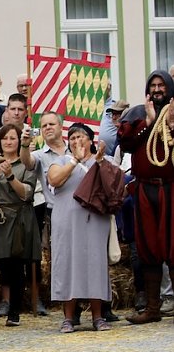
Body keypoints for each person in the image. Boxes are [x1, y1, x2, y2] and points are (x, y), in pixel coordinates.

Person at [117, 69, 174, 324]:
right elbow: (124, 142)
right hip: (145, 190)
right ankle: (152, 308)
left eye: (162, 85)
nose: (157, 89)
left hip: (171, 188)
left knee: (173, 246)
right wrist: (148, 123)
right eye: (153, 85)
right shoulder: (138, 114)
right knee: (148, 247)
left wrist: (171, 126)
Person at [47, 124, 113, 333]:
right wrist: (75, 160)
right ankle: (68, 318)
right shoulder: (62, 161)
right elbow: (54, 180)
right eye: (73, 137)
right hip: (66, 221)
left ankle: (98, 316)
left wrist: (100, 161)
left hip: (95, 220)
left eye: (81, 137)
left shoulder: (102, 161)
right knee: (68, 264)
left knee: (94, 264)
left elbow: (113, 187)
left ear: (90, 140)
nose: (77, 141)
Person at [0, 124, 41, 328]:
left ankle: (14, 312)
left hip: (18, 219)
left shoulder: (26, 164)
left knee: (15, 267)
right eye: (5, 138)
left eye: (13, 138)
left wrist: (11, 176)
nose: (9, 141)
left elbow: (26, 193)